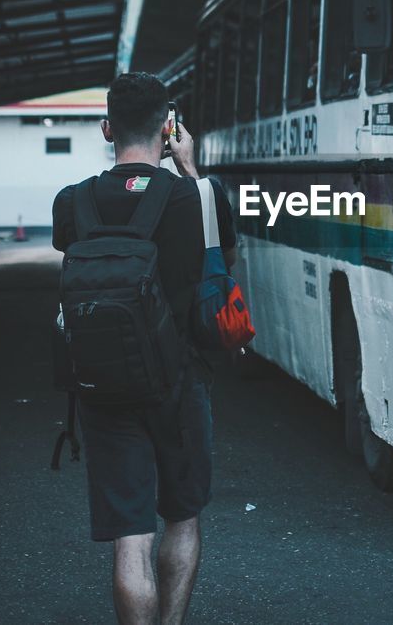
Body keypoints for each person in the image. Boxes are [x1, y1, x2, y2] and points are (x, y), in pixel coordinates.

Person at [52, 73, 237, 625]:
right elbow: (219, 263)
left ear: (107, 128)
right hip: (180, 383)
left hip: (103, 385)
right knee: (181, 519)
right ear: (169, 127)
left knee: (129, 541)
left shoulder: (72, 202)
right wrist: (191, 170)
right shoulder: (196, 198)